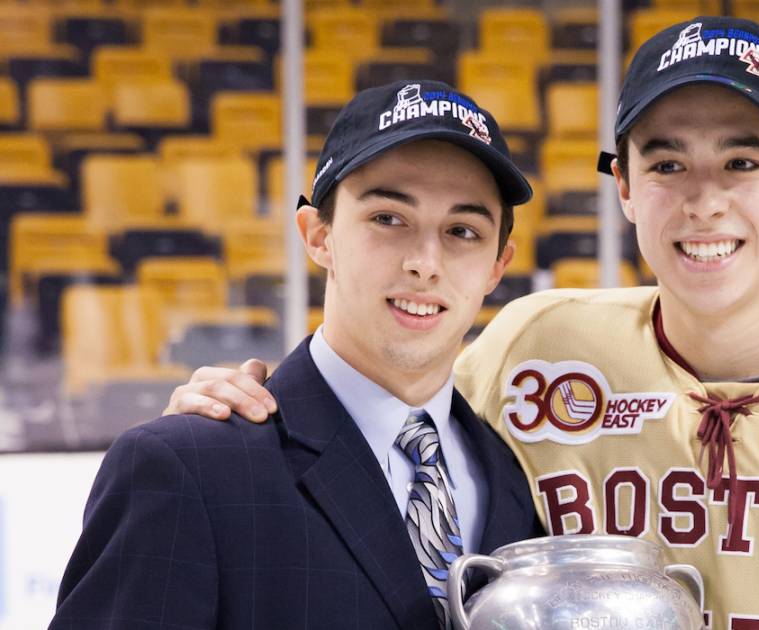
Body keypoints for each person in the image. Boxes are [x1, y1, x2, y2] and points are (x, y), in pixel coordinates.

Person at [167, 17, 759, 629]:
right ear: (625, 188)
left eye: (743, 162)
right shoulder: (539, 348)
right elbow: (380, 424)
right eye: (668, 164)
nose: (704, 201)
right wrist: (239, 413)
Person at [52, 79, 544, 630]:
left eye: (463, 230)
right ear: (317, 235)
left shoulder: (521, 480)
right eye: (388, 218)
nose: (425, 263)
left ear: (498, 265)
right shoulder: (186, 465)